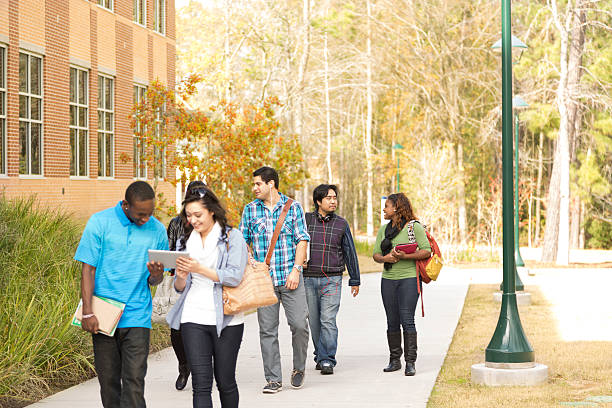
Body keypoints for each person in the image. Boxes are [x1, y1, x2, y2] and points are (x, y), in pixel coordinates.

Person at [75, 181, 168, 408]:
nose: (146, 219)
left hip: (137, 315)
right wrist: (87, 312)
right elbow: (88, 268)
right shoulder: (100, 222)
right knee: (108, 382)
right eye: (141, 214)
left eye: (150, 213)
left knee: (134, 380)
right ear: (126, 205)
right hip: (104, 315)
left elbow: (155, 280)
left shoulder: (157, 230)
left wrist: (156, 275)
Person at [166, 185, 248, 408]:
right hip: (192, 317)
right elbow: (180, 287)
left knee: (225, 382)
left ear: (211, 211)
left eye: (198, 215)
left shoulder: (232, 237)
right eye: (189, 215)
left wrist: (199, 268)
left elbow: (233, 277)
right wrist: (181, 275)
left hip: (227, 318)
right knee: (201, 385)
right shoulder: (185, 240)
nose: (193, 220)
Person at [239, 166, 310, 393]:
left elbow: (302, 240)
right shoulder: (250, 210)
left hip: (291, 279)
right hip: (264, 283)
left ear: (271, 184)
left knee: (299, 326)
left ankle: (298, 368)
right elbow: (242, 242)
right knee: (267, 331)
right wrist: (250, 261)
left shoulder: (293, 207)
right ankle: (273, 379)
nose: (254, 188)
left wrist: (296, 269)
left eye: (258, 183)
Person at [304, 184, 360, 375]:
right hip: (308, 279)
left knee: (328, 319)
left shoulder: (341, 224)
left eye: (335, 197)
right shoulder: (306, 220)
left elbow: (349, 252)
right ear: (318, 201)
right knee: (314, 322)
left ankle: (327, 359)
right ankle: (320, 355)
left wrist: (355, 279)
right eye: (328, 198)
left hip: (332, 279)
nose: (333, 201)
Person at [372, 193, 431, 376]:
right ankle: (394, 360)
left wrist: (405, 256)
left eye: (387, 206)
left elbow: (426, 251)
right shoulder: (384, 229)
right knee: (392, 321)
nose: (384, 209)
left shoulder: (414, 227)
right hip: (388, 280)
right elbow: (375, 254)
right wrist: (385, 258)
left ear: (396, 208)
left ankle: (410, 362)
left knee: (407, 319)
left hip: (409, 279)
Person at [166, 180, 207, 391]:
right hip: (182, 282)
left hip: (207, 282)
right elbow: (169, 251)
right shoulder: (176, 223)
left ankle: (203, 370)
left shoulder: (214, 223)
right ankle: (184, 366)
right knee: (177, 331)